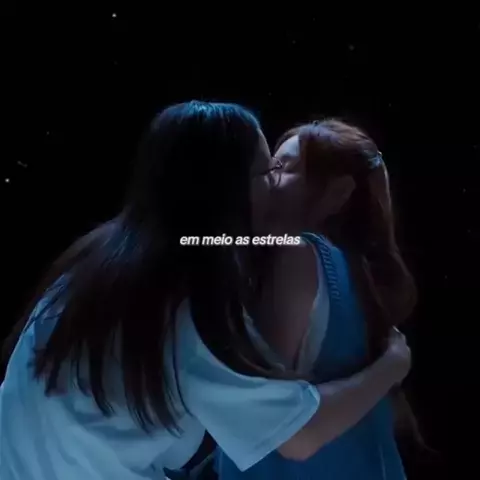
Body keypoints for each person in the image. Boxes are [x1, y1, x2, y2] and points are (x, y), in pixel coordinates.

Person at [0, 103, 411, 480]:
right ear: (223, 189)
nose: (272, 186)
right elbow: (296, 435)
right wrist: (393, 364)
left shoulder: (91, 266)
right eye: (266, 172)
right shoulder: (192, 306)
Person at [217, 119, 418, 479]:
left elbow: (275, 425)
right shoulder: (357, 272)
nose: (268, 179)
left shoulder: (297, 255)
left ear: (338, 193)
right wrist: (392, 366)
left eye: (284, 167)